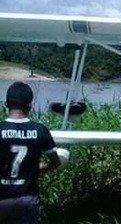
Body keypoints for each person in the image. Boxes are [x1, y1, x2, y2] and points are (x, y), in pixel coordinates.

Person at [0, 82, 61, 224]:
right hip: (27, 199)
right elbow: (55, 162)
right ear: (30, 105)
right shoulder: (40, 130)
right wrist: (40, 168)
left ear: (6, 104)